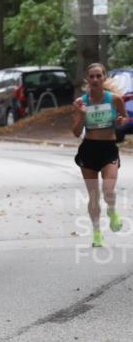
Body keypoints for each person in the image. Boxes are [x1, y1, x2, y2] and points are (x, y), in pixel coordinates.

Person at [71, 62, 128, 247]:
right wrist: (81, 115)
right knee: (94, 195)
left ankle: (112, 211)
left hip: (109, 149)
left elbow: (124, 118)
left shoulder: (115, 99)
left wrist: (120, 121)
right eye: (92, 76)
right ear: (87, 79)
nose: (95, 79)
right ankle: (97, 234)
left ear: (104, 77)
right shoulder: (81, 102)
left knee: (108, 190)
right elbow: (75, 132)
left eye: (98, 76)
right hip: (89, 150)